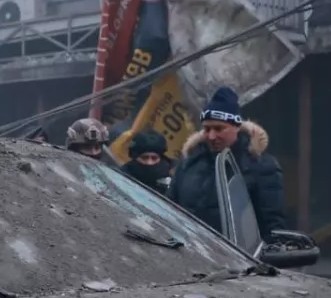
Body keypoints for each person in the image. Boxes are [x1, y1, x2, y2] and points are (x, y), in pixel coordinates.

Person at [169, 86, 287, 239]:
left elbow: (272, 228)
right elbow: (169, 212)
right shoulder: (188, 164)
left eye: (219, 129)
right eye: (207, 129)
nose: (212, 136)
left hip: (236, 253)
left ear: (237, 127)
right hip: (190, 251)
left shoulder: (260, 166)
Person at [121, 130, 174, 195]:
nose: (149, 162)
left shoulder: (169, 185)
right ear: (135, 157)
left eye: (154, 158)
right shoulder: (121, 176)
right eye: (144, 157)